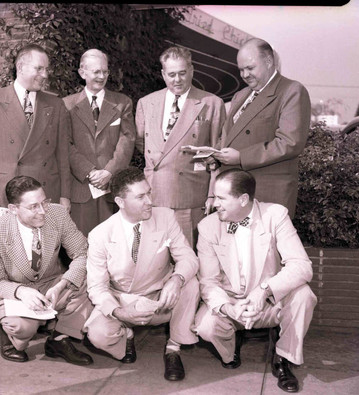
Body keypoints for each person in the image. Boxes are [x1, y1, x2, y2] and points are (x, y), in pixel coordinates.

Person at [194, 168, 317, 393]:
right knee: (205, 326)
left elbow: (302, 266)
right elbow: (208, 282)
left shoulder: (275, 215)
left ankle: (283, 359)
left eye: (221, 198)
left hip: (269, 301)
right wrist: (230, 309)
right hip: (232, 301)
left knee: (304, 296)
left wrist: (264, 290)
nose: (214, 203)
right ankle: (231, 350)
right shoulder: (207, 226)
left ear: (243, 199)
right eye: (214, 196)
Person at [85, 167, 200, 381]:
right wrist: (120, 313)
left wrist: (176, 279)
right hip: (123, 299)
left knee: (190, 282)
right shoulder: (100, 235)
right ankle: (125, 335)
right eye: (140, 197)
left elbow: (188, 258)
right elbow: (97, 288)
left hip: (160, 298)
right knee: (98, 335)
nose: (149, 201)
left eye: (149, 193)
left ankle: (174, 347)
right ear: (120, 202)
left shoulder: (165, 217)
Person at [0, 176, 93, 365]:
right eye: (33, 207)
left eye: (44, 202)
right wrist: (21, 292)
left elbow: (83, 253)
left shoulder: (57, 214)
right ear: (13, 209)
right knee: (22, 328)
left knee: (91, 280)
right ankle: (9, 333)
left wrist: (61, 285)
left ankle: (59, 339)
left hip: (50, 284)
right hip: (12, 291)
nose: (42, 211)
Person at [135, 46, 225, 248]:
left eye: (182, 73)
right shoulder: (146, 103)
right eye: (172, 74)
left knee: (188, 258)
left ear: (192, 71)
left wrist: (213, 194)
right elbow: (143, 143)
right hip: (154, 194)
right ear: (163, 74)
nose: (177, 79)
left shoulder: (212, 103)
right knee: (155, 258)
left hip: (191, 197)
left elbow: (217, 152)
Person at [213, 38, 311, 218]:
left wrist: (241, 157)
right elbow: (230, 137)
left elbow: (289, 143)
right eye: (241, 70)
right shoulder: (240, 95)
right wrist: (216, 156)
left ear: (269, 62)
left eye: (250, 68)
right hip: (236, 193)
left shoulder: (292, 91)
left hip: (266, 192)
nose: (244, 75)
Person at [0, 43, 71, 217]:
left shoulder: (56, 104)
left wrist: (65, 195)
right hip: (8, 194)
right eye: (39, 68)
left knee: (44, 244)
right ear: (20, 67)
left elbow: (63, 155)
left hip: (46, 194)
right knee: (10, 243)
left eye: (46, 69)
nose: (45, 75)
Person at [63, 49, 135, 236]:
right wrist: (89, 171)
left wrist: (109, 172)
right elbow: (65, 144)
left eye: (105, 71)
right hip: (81, 190)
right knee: (81, 249)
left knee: (114, 247)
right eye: (96, 72)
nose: (102, 76)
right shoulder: (66, 105)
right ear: (82, 73)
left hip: (112, 189)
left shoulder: (122, 103)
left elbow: (127, 139)